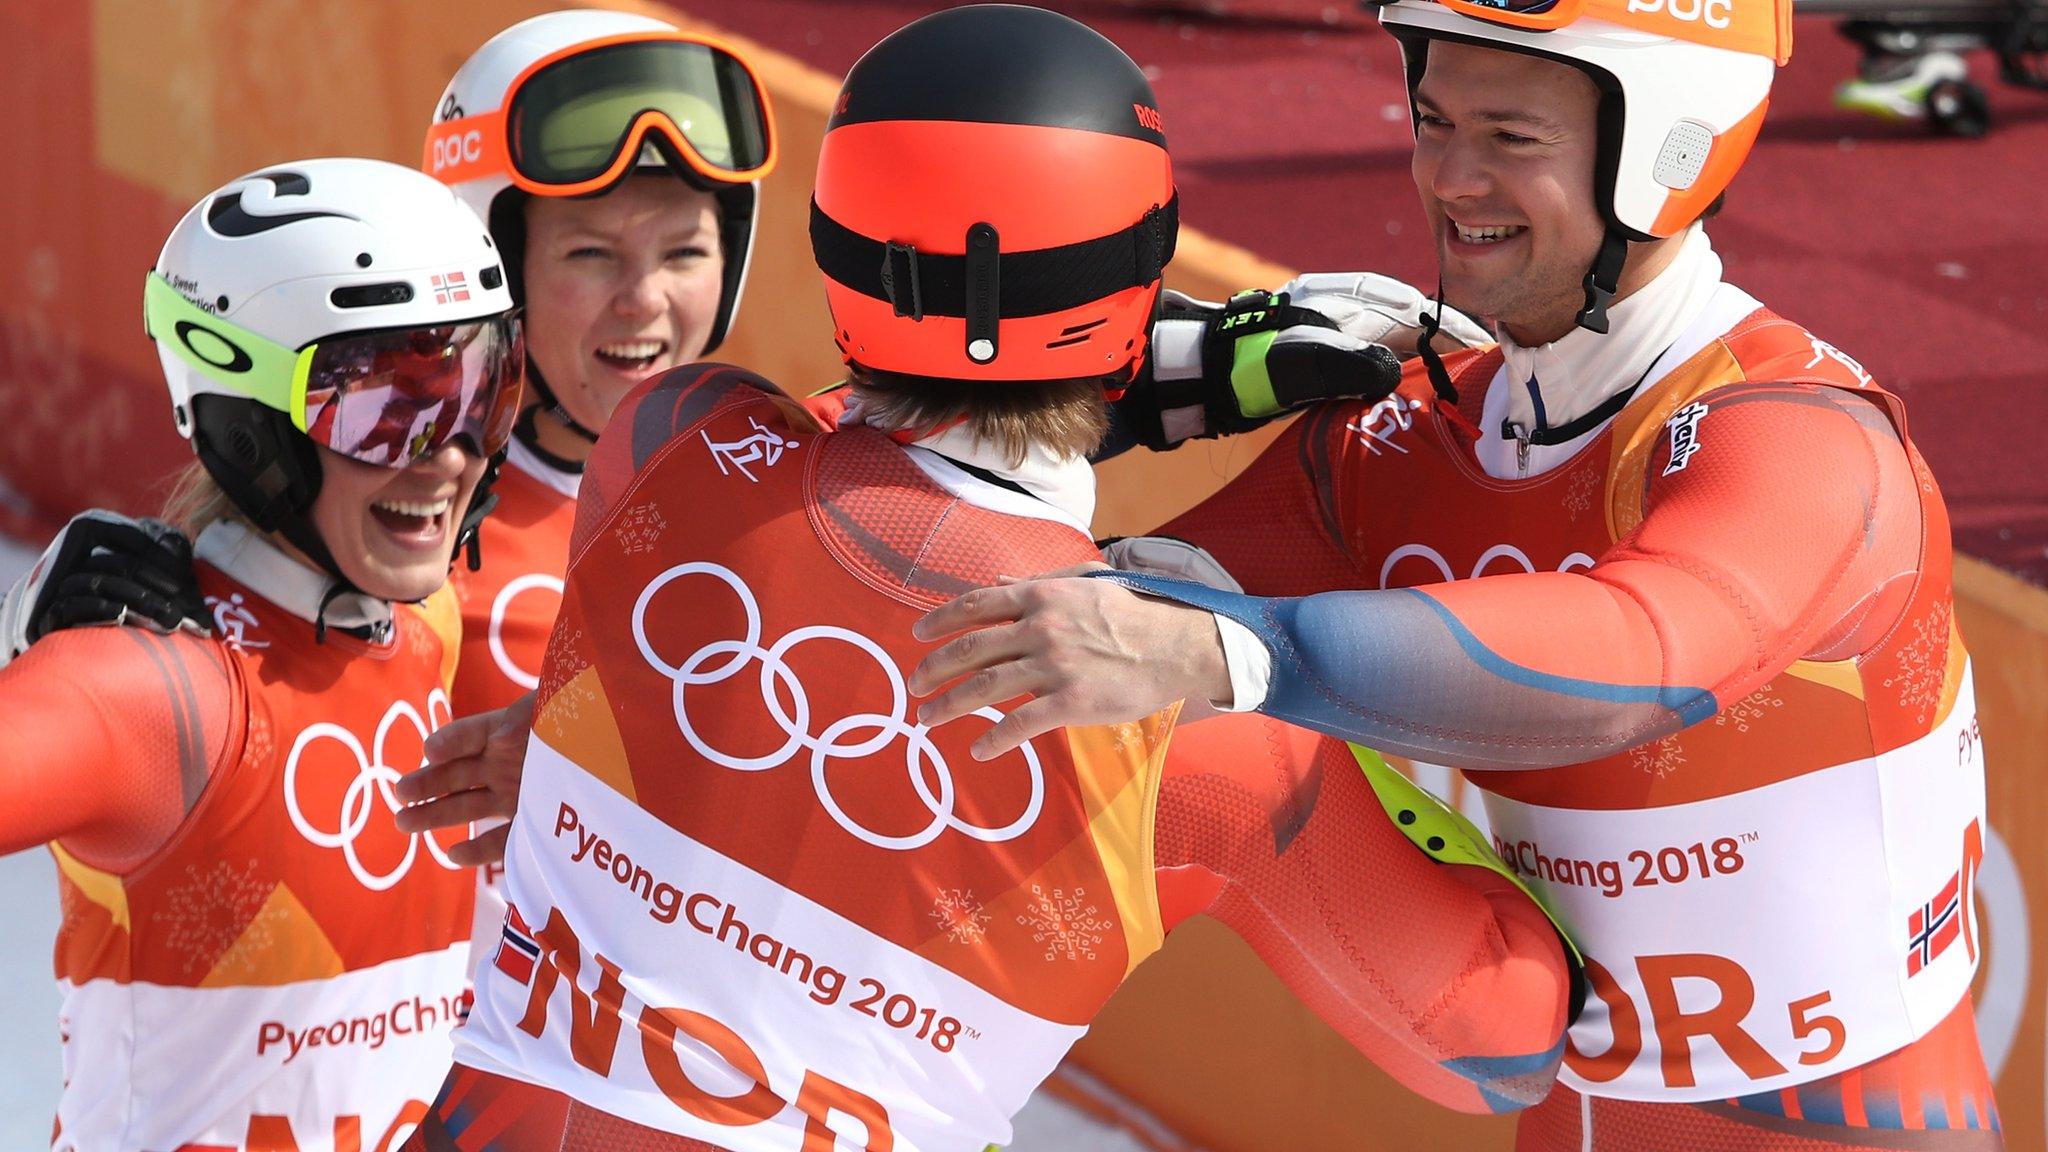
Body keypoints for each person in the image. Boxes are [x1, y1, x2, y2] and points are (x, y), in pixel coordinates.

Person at [402, 8, 1572, 1150]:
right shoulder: (1204, 734)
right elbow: (1499, 1044)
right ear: (1135, 272)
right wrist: (1343, 729)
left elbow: (848, 450)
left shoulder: (670, 435)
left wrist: (1180, 373)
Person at [910, 0, 1999, 1148]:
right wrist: (1145, 386)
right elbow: (994, 610)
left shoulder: (1799, 439)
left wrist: (1230, 650)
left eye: (1511, 138)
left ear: (1671, 154)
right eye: (1432, 120)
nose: (1449, 178)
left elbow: (1647, 650)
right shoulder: (1416, 434)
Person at [0, 158, 523, 1151]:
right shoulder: (157, 692)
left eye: (480, 392)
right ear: (249, 426)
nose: (450, 455)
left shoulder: (426, 619)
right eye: (382, 408)